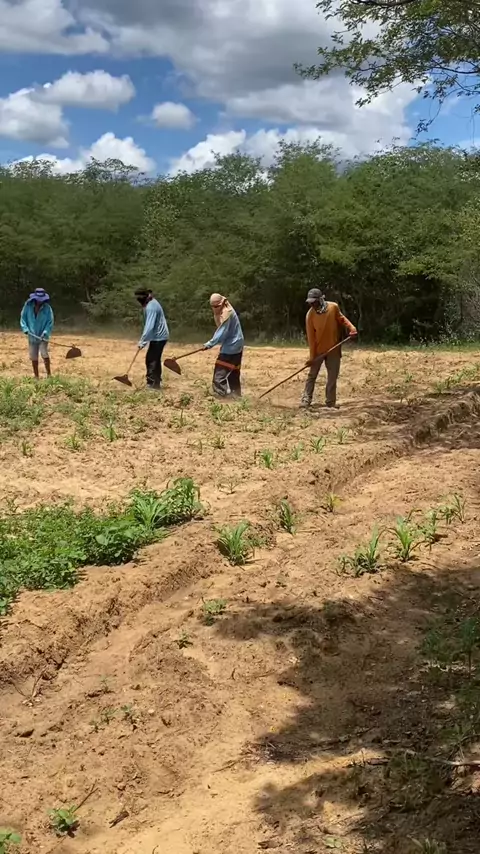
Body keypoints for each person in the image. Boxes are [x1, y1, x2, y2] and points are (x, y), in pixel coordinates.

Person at [300, 288, 357, 409]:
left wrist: (352, 328)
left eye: (314, 302)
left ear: (321, 299)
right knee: (312, 375)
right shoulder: (310, 315)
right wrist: (312, 358)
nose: (312, 305)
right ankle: (306, 399)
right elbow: (311, 339)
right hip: (318, 350)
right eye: (310, 303)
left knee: (332, 376)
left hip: (333, 349)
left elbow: (342, 319)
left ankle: (330, 402)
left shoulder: (333, 307)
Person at [204, 294, 244, 397]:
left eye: (217, 306)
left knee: (219, 377)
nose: (215, 308)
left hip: (231, 347)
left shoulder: (227, 313)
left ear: (222, 303)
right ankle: (236, 396)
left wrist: (210, 344)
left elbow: (222, 332)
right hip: (237, 345)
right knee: (233, 373)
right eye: (213, 307)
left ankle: (222, 397)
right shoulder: (226, 310)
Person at [135, 289, 169, 390]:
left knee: (151, 360)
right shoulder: (151, 303)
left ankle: (153, 384)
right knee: (155, 359)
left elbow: (149, 326)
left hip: (159, 337)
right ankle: (156, 382)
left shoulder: (151, 307)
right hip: (158, 337)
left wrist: (143, 341)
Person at [20, 288, 54, 379]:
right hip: (32, 334)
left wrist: (45, 332)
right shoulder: (28, 306)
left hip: (43, 335)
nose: (40, 301)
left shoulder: (47, 308)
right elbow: (23, 319)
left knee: (44, 353)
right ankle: (36, 376)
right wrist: (25, 329)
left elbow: (50, 322)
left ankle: (49, 375)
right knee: (33, 356)